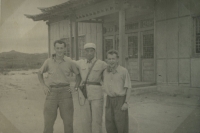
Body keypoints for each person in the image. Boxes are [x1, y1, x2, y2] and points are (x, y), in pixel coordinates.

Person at [38, 40, 81, 133]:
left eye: (61, 48)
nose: (59, 50)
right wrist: (43, 86)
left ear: (65, 49)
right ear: (54, 49)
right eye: (57, 48)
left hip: (66, 93)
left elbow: (78, 75)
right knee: (48, 122)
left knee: (68, 122)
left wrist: (75, 87)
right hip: (51, 93)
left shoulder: (69, 61)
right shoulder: (48, 61)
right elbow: (39, 73)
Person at [75, 43, 107, 133]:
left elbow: (109, 76)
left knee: (97, 119)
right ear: (84, 52)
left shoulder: (102, 64)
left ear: (95, 52)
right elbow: (68, 62)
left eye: (91, 51)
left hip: (97, 94)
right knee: (85, 119)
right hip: (84, 94)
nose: (89, 53)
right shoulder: (80, 63)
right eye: (87, 51)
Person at [103, 49, 131, 133]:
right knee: (109, 123)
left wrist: (126, 102)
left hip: (120, 100)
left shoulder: (123, 71)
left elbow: (129, 87)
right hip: (109, 100)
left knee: (121, 124)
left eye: (113, 59)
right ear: (106, 60)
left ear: (117, 59)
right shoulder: (105, 71)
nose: (111, 61)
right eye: (109, 59)